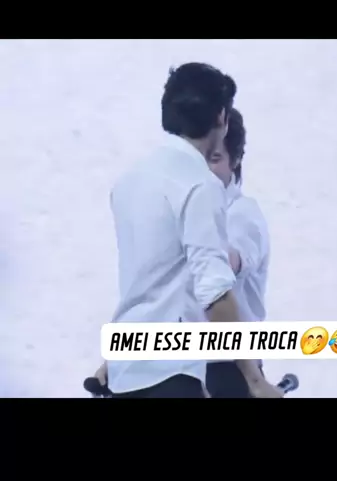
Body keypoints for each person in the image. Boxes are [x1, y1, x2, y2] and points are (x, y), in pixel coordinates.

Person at [93, 63, 283, 399]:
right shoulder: (199, 184)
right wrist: (255, 381)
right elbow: (213, 289)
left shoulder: (127, 183)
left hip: (127, 375)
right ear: (221, 118)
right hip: (173, 373)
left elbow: (145, 285)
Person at [205, 108, 270, 398]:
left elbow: (226, 262)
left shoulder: (243, 213)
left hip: (230, 368)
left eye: (214, 158)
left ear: (236, 159)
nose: (203, 169)